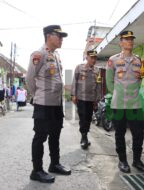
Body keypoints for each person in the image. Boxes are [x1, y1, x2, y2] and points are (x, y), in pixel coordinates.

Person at [26, 25, 71, 183]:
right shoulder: (39, 54)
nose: (61, 39)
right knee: (40, 136)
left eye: (62, 36)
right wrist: (38, 95)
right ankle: (36, 170)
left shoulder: (56, 55)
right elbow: (29, 79)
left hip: (56, 104)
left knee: (55, 134)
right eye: (59, 36)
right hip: (43, 104)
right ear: (48, 36)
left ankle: (55, 163)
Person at [106, 31, 144, 173]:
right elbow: (109, 82)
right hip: (119, 104)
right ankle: (122, 161)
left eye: (131, 39)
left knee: (138, 134)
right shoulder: (113, 60)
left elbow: (140, 79)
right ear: (120, 42)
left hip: (135, 103)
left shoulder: (139, 60)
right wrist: (118, 94)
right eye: (126, 39)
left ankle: (137, 160)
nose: (130, 41)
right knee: (119, 133)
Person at [71, 50, 101, 149]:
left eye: (95, 58)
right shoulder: (79, 68)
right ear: (87, 57)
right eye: (91, 57)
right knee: (83, 117)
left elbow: (98, 86)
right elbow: (74, 81)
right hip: (81, 97)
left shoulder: (97, 70)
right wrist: (73, 95)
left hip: (91, 99)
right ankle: (84, 137)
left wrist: (96, 99)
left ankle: (85, 136)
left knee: (88, 118)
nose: (93, 60)